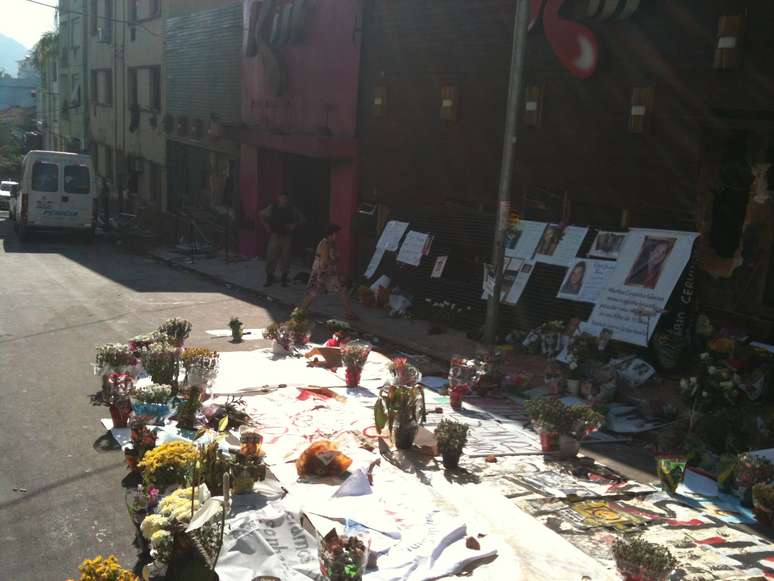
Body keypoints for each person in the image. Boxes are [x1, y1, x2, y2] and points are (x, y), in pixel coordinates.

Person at [301, 224, 357, 320]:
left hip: (328, 273)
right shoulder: (325, 244)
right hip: (323, 273)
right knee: (314, 292)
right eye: (336, 233)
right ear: (331, 234)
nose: (337, 236)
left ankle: (349, 313)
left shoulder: (331, 243)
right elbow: (324, 261)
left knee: (341, 289)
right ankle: (301, 311)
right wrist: (335, 271)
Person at [260, 192, 303, 287]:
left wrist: (294, 225)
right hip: (275, 235)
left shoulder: (292, 208)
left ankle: (284, 279)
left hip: (287, 236)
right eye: (282, 198)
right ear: (278, 198)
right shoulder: (272, 207)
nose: (283, 200)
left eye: (285, 198)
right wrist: (266, 226)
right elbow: (262, 215)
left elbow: (301, 218)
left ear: (287, 199)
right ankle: (269, 278)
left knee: (286, 258)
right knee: (271, 257)